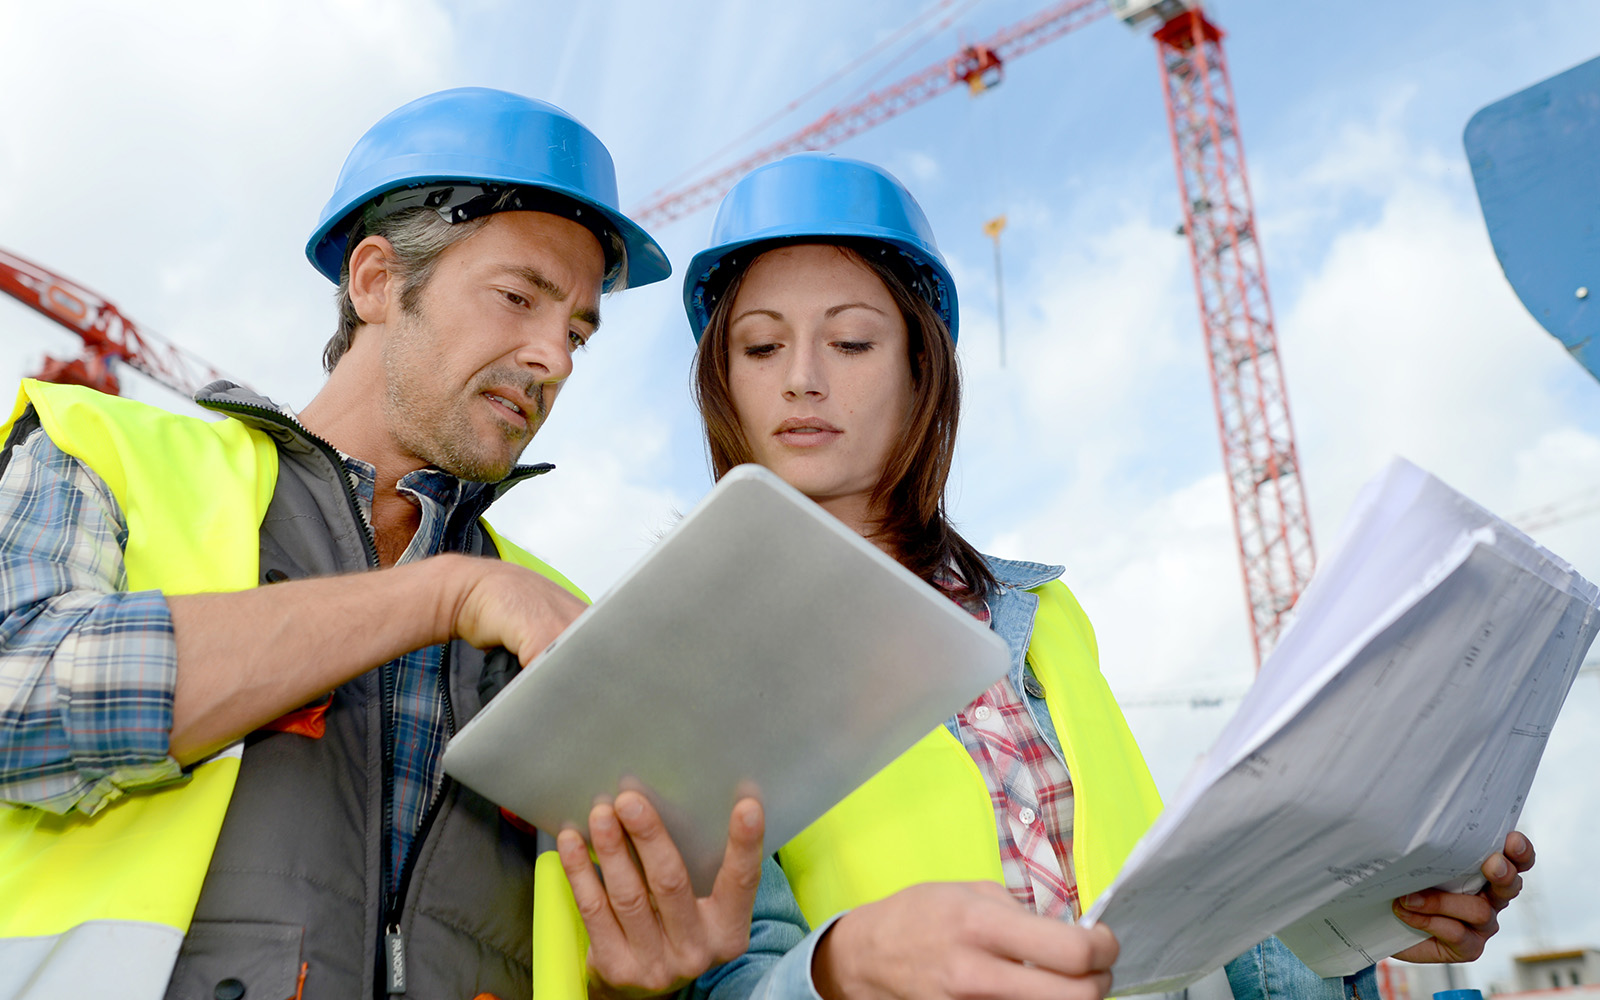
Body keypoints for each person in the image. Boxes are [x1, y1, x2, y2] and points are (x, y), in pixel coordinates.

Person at [666, 152, 1537, 1000]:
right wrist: (841, 970)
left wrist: (1368, 913)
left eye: (851, 342)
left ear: (920, 370)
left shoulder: (1041, 615)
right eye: (761, 347)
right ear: (725, 382)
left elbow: (1183, 934)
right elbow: (717, 980)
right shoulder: (699, 659)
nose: (803, 380)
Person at [0, 88, 763, 1000]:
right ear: (375, 282)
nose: (553, 359)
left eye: (575, 334)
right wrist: (434, 598)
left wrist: (636, 983)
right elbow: (16, 693)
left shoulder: (554, 614)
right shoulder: (110, 451)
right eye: (518, 297)